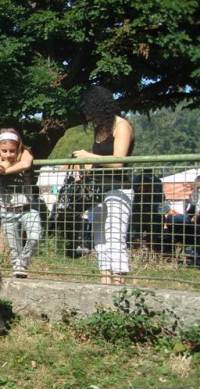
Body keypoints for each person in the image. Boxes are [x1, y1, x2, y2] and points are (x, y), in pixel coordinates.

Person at [72, 86, 135, 285]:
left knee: (115, 233)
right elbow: (99, 160)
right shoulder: (100, 129)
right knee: (98, 233)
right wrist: (83, 168)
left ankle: (119, 280)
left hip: (119, 188)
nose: (87, 115)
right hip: (98, 190)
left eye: (89, 109)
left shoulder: (121, 125)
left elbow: (117, 161)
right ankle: (105, 277)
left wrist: (89, 156)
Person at [0, 128, 41, 278]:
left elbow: (25, 164)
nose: (8, 154)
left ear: (18, 147)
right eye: (4, 151)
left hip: (28, 207)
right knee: (14, 246)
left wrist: (4, 171)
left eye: (12, 151)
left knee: (35, 236)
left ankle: (23, 262)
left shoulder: (25, 153)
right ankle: (18, 268)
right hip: (8, 210)